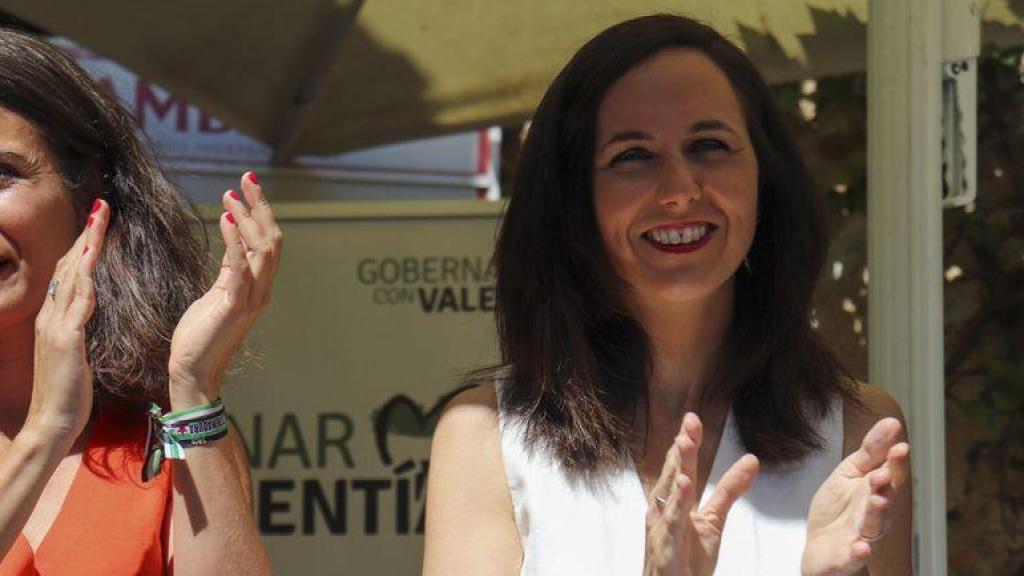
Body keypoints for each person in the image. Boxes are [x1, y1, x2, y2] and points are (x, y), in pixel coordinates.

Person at [424, 14, 911, 576]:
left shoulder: (857, 428)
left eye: (709, 145)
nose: (680, 190)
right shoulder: (483, 437)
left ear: (765, 183)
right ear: (572, 202)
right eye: (633, 156)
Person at [0, 29, 280, 574]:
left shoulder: (167, 431)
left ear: (90, 197)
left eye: (1, 175)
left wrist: (195, 387)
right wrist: (46, 433)